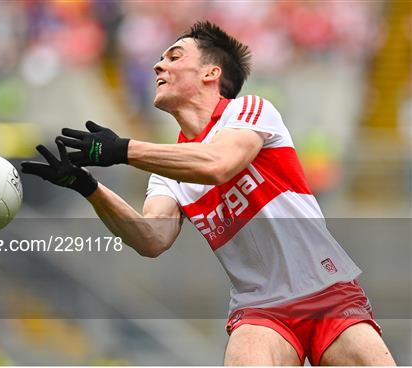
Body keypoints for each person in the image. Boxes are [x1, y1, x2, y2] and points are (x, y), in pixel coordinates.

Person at [21, 21, 395, 366]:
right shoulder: (169, 170)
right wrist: (89, 187)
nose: (157, 66)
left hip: (328, 291)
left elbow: (218, 163)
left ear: (211, 73)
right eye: (160, 58)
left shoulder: (250, 111)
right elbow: (152, 238)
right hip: (261, 310)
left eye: (174, 57)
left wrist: (123, 150)